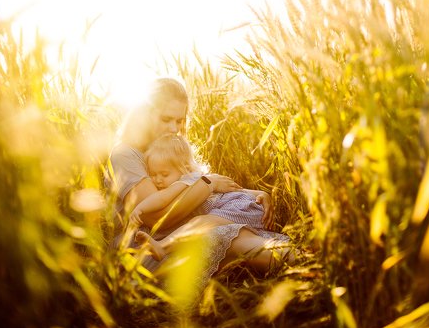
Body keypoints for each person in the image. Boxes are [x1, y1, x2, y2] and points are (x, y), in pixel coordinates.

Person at [107, 77, 291, 279]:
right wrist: (209, 184)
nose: (174, 128)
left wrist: (254, 193)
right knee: (223, 235)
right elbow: (157, 218)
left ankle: (306, 263)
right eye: (166, 119)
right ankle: (299, 263)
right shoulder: (125, 154)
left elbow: (201, 185)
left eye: (179, 121)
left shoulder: (171, 150)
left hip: (186, 232)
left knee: (235, 233)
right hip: (145, 246)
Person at [129, 134, 290, 257]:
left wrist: (140, 208)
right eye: (153, 174)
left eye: (164, 174)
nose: (157, 180)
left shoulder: (187, 180)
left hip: (238, 208)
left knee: (201, 222)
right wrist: (260, 194)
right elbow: (234, 190)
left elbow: (163, 197)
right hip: (244, 208)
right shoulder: (201, 178)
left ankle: (163, 247)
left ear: (183, 167)